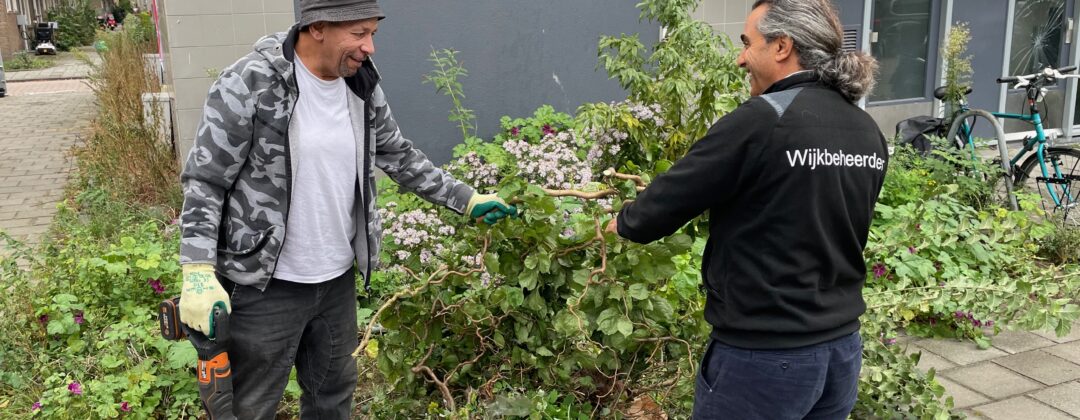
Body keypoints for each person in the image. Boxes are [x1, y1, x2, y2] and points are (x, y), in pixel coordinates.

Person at [177, 0, 516, 417]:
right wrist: (196, 269)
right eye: (359, 34)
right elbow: (206, 180)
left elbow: (398, 155)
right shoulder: (249, 83)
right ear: (316, 27)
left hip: (336, 282)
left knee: (332, 398)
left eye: (373, 33)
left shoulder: (361, 85)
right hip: (265, 287)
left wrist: (466, 199)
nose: (369, 46)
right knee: (249, 406)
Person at [605, 0, 885, 418]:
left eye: (747, 43)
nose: (740, 59)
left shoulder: (762, 121)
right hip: (840, 353)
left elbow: (660, 207)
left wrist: (619, 223)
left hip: (764, 359)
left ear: (782, 46)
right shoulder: (866, 131)